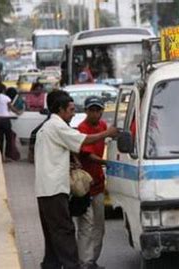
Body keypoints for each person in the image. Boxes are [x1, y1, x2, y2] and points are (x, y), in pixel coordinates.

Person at [34, 91, 117, 269]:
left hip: (46, 190)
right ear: (60, 110)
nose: (73, 113)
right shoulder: (57, 126)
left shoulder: (47, 127)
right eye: (71, 109)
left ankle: (51, 265)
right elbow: (84, 140)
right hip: (54, 190)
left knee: (53, 234)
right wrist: (107, 133)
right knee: (65, 231)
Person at [76, 96, 108, 269]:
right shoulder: (82, 128)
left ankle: (92, 260)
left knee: (99, 226)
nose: (95, 113)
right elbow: (88, 155)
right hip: (84, 186)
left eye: (98, 110)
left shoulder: (103, 126)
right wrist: (106, 163)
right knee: (86, 225)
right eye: (92, 110)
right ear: (86, 111)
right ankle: (85, 261)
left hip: (99, 184)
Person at [0, 82, 21, 162]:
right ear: (3, 90)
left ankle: (1, 156)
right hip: (5, 120)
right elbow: (11, 108)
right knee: (9, 138)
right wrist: (18, 112)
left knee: (0, 139)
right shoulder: (6, 98)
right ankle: (8, 156)